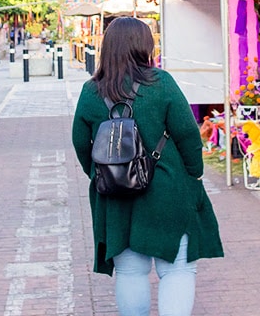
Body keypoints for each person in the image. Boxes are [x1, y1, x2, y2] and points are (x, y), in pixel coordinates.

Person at [71, 17, 222, 316]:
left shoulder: (91, 91)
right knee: (177, 270)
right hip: (168, 189)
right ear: (144, 46)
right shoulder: (161, 83)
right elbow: (188, 135)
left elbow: (80, 143)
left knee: (130, 273)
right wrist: (194, 174)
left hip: (116, 197)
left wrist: (103, 173)